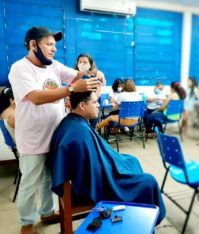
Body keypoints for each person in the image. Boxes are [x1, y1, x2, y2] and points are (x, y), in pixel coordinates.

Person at [8, 26, 100, 234]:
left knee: (48, 178)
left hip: (55, 137)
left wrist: (93, 73)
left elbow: (76, 75)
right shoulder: (19, 68)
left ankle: (47, 211)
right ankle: (26, 224)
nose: (54, 49)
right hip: (32, 138)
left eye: (55, 45)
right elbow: (36, 97)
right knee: (30, 183)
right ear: (33, 45)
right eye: (49, 44)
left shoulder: (54, 66)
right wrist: (70, 89)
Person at [48, 91, 166, 224]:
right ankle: (141, 223)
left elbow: (93, 159)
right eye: (94, 102)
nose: (98, 105)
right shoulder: (79, 133)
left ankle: (136, 217)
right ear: (82, 106)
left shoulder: (74, 122)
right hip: (94, 185)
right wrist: (114, 166)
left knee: (132, 160)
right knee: (149, 181)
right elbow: (92, 171)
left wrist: (113, 160)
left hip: (94, 170)